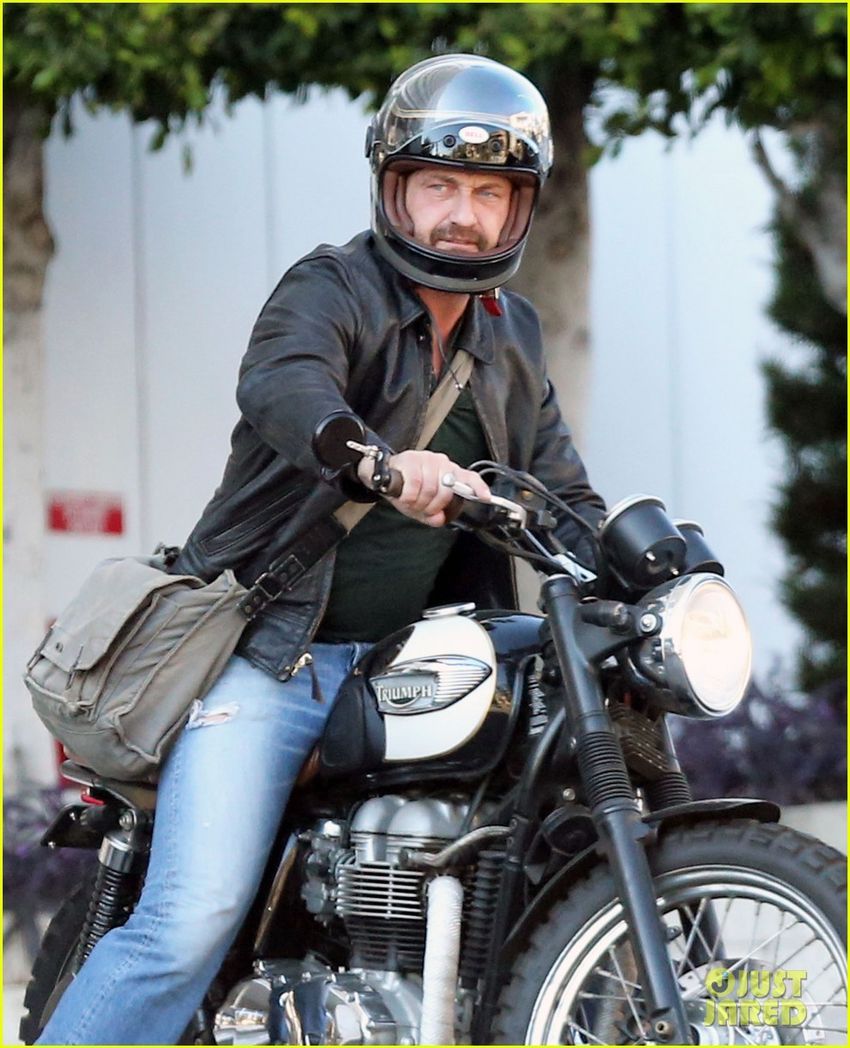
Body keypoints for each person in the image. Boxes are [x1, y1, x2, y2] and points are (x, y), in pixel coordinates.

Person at [37, 54, 605, 1045]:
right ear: (395, 189)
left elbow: (563, 493)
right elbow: (288, 390)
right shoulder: (331, 288)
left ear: (518, 210)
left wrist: (659, 566)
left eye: (486, 192)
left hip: (411, 666)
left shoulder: (510, 340)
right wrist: (380, 465)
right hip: (270, 655)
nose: (459, 215)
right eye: (439, 186)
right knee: (189, 923)